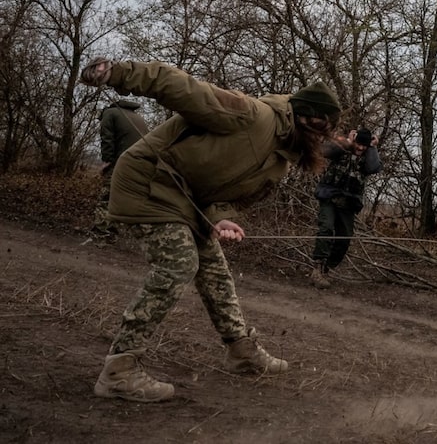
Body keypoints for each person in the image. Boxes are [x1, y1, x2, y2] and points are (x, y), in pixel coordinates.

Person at [79, 57, 341, 403]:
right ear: (310, 120)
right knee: (179, 264)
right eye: (323, 131)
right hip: (149, 179)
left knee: (214, 270)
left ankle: (241, 351)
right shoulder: (252, 115)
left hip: (186, 198)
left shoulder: (279, 159)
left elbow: (223, 191)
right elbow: (183, 88)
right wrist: (119, 73)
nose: (323, 141)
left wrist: (220, 216)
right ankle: (119, 371)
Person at [310, 127, 382, 288]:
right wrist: (348, 142)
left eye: (364, 146)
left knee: (344, 238)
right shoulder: (342, 148)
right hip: (329, 197)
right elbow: (324, 151)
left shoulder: (368, 156)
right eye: (358, 144)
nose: (360, 148)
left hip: (348, 204)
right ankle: (317, 268)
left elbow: (373, 168)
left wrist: (373, 147)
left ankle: (327, 268)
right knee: (326, 229)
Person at [90, 98, 150, 243]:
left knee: (107, 197)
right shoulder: (137, 117)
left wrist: (107, 161)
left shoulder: (109, 114)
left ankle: (101, 232)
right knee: (125, 198)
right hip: (142, 164)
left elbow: (107, 139)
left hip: (123, 162)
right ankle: (115, 230)